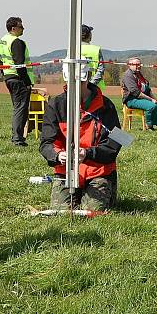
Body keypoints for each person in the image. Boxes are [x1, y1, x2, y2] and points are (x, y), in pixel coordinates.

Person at [39, 61, 122, 210]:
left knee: (93, 211)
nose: (76, 87)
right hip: (66, 170)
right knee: (61, 213)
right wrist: (58, 155)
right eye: (72, 82)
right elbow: (46, 142)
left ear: (88, 77)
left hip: (98, 170)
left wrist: (88, 153)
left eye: (81, 82)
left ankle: (108, 190)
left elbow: (116, 143)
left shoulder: (106, 106)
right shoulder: (55, 105)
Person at [0, 16, 35, 146]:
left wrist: (4, 74)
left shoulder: (3, 41)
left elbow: (1, 60)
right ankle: (17, 139)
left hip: (9, 77)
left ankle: (17, 136)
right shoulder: (17, 42)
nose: (23, 28)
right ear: (13, 28)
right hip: (18, 79)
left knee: (17, 107)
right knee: (21, 108)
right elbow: (20, 64)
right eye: (21, 26)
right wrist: (27, 82)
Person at [121, 57, 157, 130]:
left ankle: (153, 124)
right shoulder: (128, 75)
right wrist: (151, 100)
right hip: (131, 99)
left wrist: (155, 98)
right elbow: (136, 93)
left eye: (139, 64)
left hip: (141, 97)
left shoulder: (138, 73)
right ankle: (149, 126)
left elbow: (147, 89)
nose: (138, 66)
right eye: (136, 64)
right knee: (152, 106)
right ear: (129, 65)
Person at [80, 24, 106, 90]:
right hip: (95, 88)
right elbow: (101, 69)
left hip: (76, 86)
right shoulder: (96, 49)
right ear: (90, 36)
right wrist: (91, 84)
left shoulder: (72, 50)